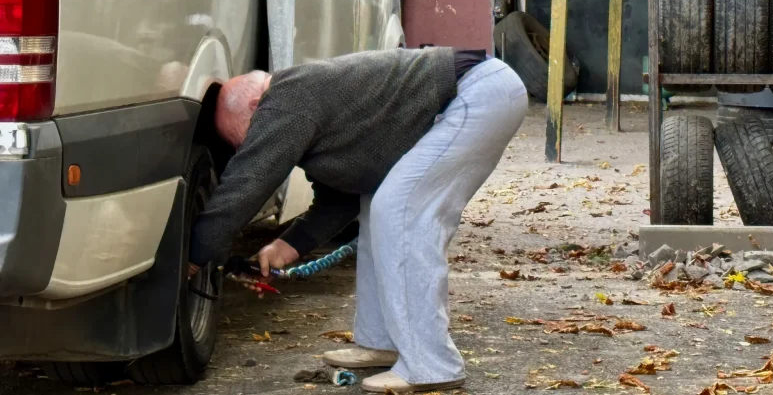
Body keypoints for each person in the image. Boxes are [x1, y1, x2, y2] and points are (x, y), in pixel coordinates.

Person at [188, 48, 528, 393]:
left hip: (477, 92)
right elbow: (342, 196)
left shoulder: (284, 97)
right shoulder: (303, 105)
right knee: (376, 207)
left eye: (246, 136)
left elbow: (247, 182)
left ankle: (432, 365)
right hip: (480, 91)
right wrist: (287, 246)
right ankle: (382, 341)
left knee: (401, 212)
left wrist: (194, 255)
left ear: (255, 106)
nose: (254, 145)